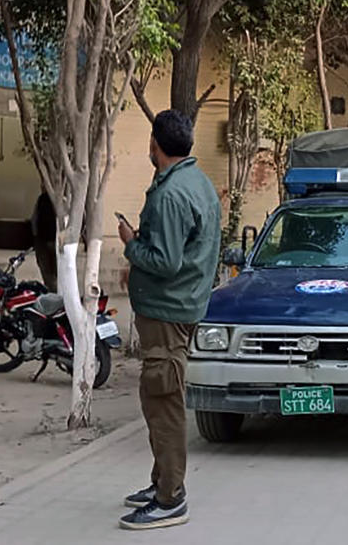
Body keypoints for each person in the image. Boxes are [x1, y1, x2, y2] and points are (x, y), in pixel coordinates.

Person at [117, 109, 221, 530]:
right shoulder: (197, 181)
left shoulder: (170, 193)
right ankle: (161, 481)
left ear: (154, 145)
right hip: (182, 305)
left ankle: (170, 497)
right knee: (157, 396)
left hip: (167, 310)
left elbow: (165, 260)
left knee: (164, 402)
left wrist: (130, 245)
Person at [31, 190, 57, 292]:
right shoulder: (42, 198)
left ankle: (54, 291)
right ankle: (52, 290)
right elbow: (35, 218)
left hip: (55, 241)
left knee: (51, 271)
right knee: (47, 270)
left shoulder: (63, 198)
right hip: (42, 240)